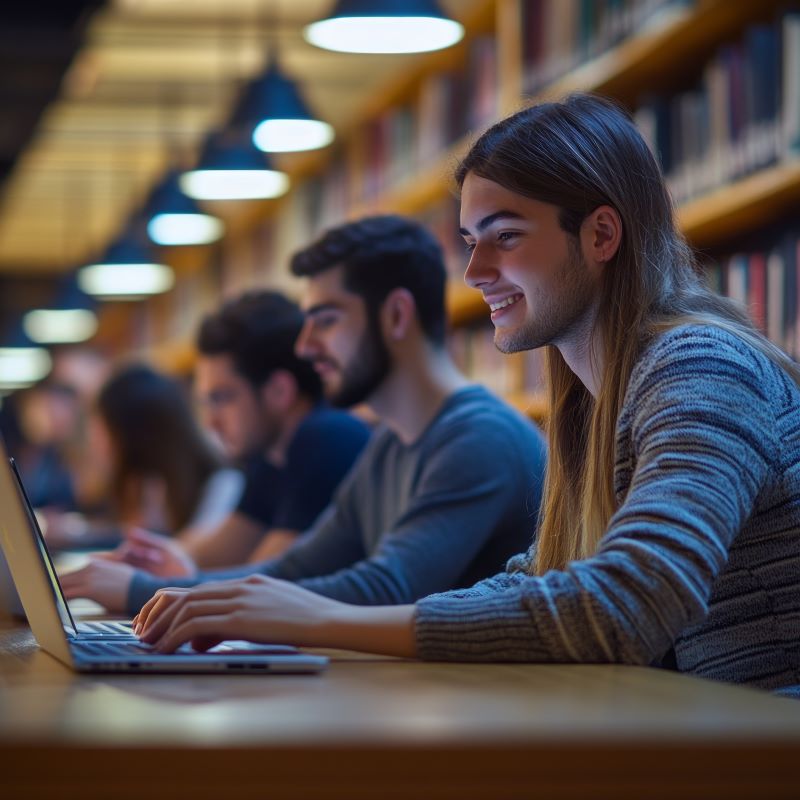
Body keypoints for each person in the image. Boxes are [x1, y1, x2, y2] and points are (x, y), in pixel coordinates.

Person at [132, 94, 800, 695]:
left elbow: (629, 604)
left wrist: (325, 621)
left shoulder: (704, 367)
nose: (475, 273)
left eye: (505, 237)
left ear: (601, 234)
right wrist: (292, 616)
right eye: (469, 242)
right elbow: (540, 579)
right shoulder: (590, 402)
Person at [65, 215, 547, 616]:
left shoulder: (479, 437)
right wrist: (154, 591)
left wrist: (143, 593)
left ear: (397, 316)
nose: (304, 346)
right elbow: (296, 570)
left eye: (326, 319)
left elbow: (387, 587)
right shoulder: (390, 443)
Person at [60, 291, 371, 602]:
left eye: (222, 398)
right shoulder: (270, 458)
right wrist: (144, 565)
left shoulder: (326, 437)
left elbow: (267, 584)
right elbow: (203, 556)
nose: (210, 423)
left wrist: (136, 587)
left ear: (279, 391)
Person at [88, 363, 244, 543]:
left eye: (104, 430)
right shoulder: (144, 485)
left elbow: (194, 558)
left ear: (134, 436)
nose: (96, 442)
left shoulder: (224, 485)